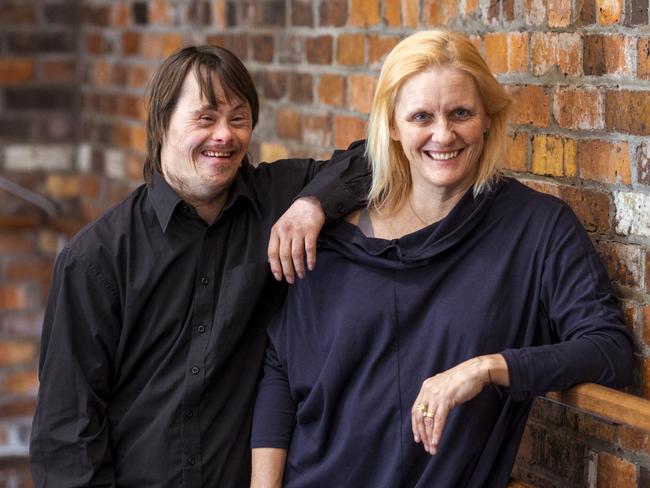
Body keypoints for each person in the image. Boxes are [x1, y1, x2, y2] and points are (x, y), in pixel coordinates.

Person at [250, 30, 634, 488]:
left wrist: (489, 368)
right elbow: (282, 367)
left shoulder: (536, 230)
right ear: (392, 125)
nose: (443, 134)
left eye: (461, 114)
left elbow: (609, 349)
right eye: (420, 117)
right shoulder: (333, 233)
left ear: (488, 118)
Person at [29, 45, 369, 487]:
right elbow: (65, 437)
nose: (224, 135)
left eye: (238, 118)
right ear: (161, 123)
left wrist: (312, 204)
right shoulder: (96, 259)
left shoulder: (277, 198)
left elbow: (375, 158)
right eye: (205, 119)